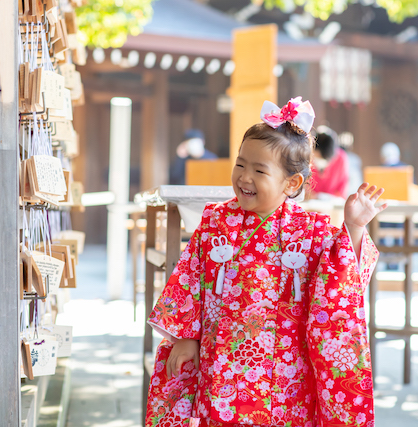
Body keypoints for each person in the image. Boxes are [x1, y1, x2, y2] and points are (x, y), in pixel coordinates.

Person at [145, 97, 386, 427]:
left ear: (292, 183)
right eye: (240, 164)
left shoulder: (311, 231)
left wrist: (355, 227)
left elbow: (341, 276)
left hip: (288, 372)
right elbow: (191, 278)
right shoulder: (216, 221)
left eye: (259, 170)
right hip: (221, 364)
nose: (244, 177)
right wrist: (186, 338)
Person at [309, 126, 350, 199]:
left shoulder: (341, 159)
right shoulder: (309, 157)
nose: (320, 161)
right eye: (318, 157)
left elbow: (342, 189)